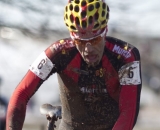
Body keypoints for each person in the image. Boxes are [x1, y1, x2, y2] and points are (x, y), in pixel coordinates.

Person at [6, 0, 142, 130]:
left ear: (105, 31)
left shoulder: (126, 56)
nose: (88, 49)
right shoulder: (59, 52)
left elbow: (128, 111)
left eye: (95, 40)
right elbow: (21, 93)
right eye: (80, 41)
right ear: (72, 36)